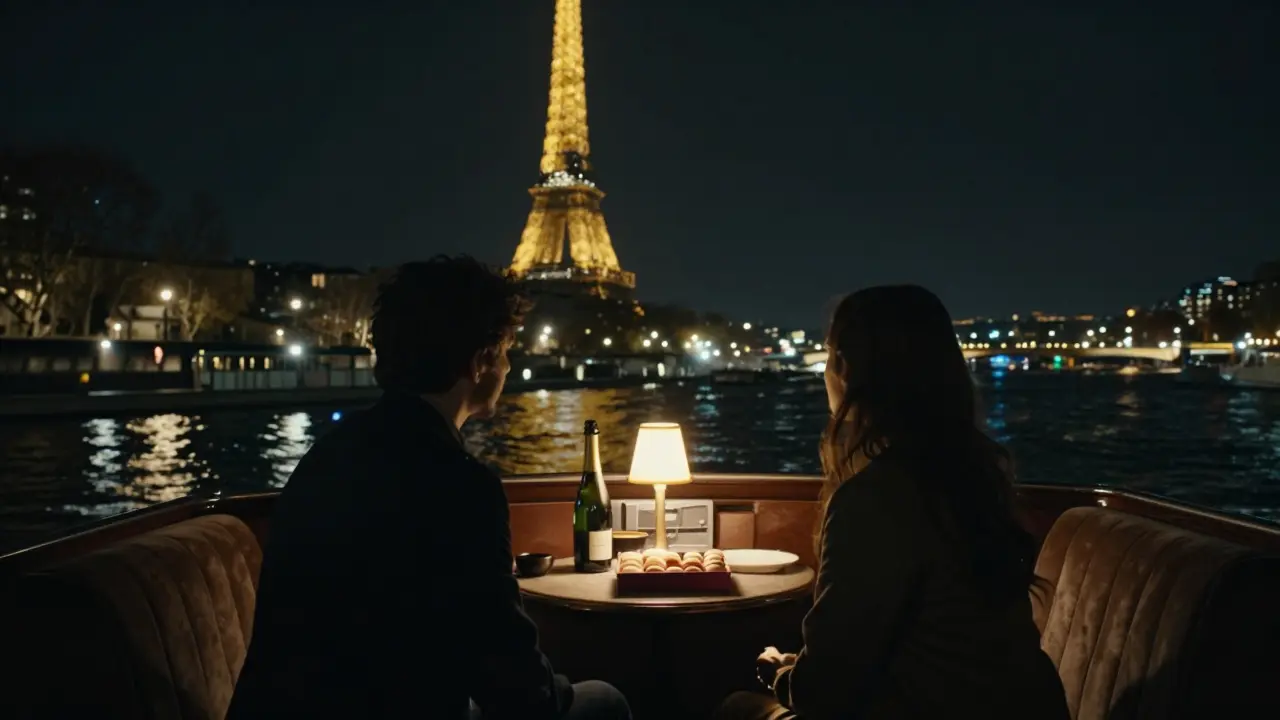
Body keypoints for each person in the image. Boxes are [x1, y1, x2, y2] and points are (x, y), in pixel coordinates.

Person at [227, 256, 630, 720]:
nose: (508, 365)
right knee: (605, 700)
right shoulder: (460, 485)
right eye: (506, 351)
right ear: (481, 362)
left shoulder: (325, 457)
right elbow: (511, 679)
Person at [715, 286, 1069, 720]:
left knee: (736, 708)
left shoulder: (873, 498)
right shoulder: (975, 479)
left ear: (843, 367)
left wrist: (782, 676)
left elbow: (826, 689)